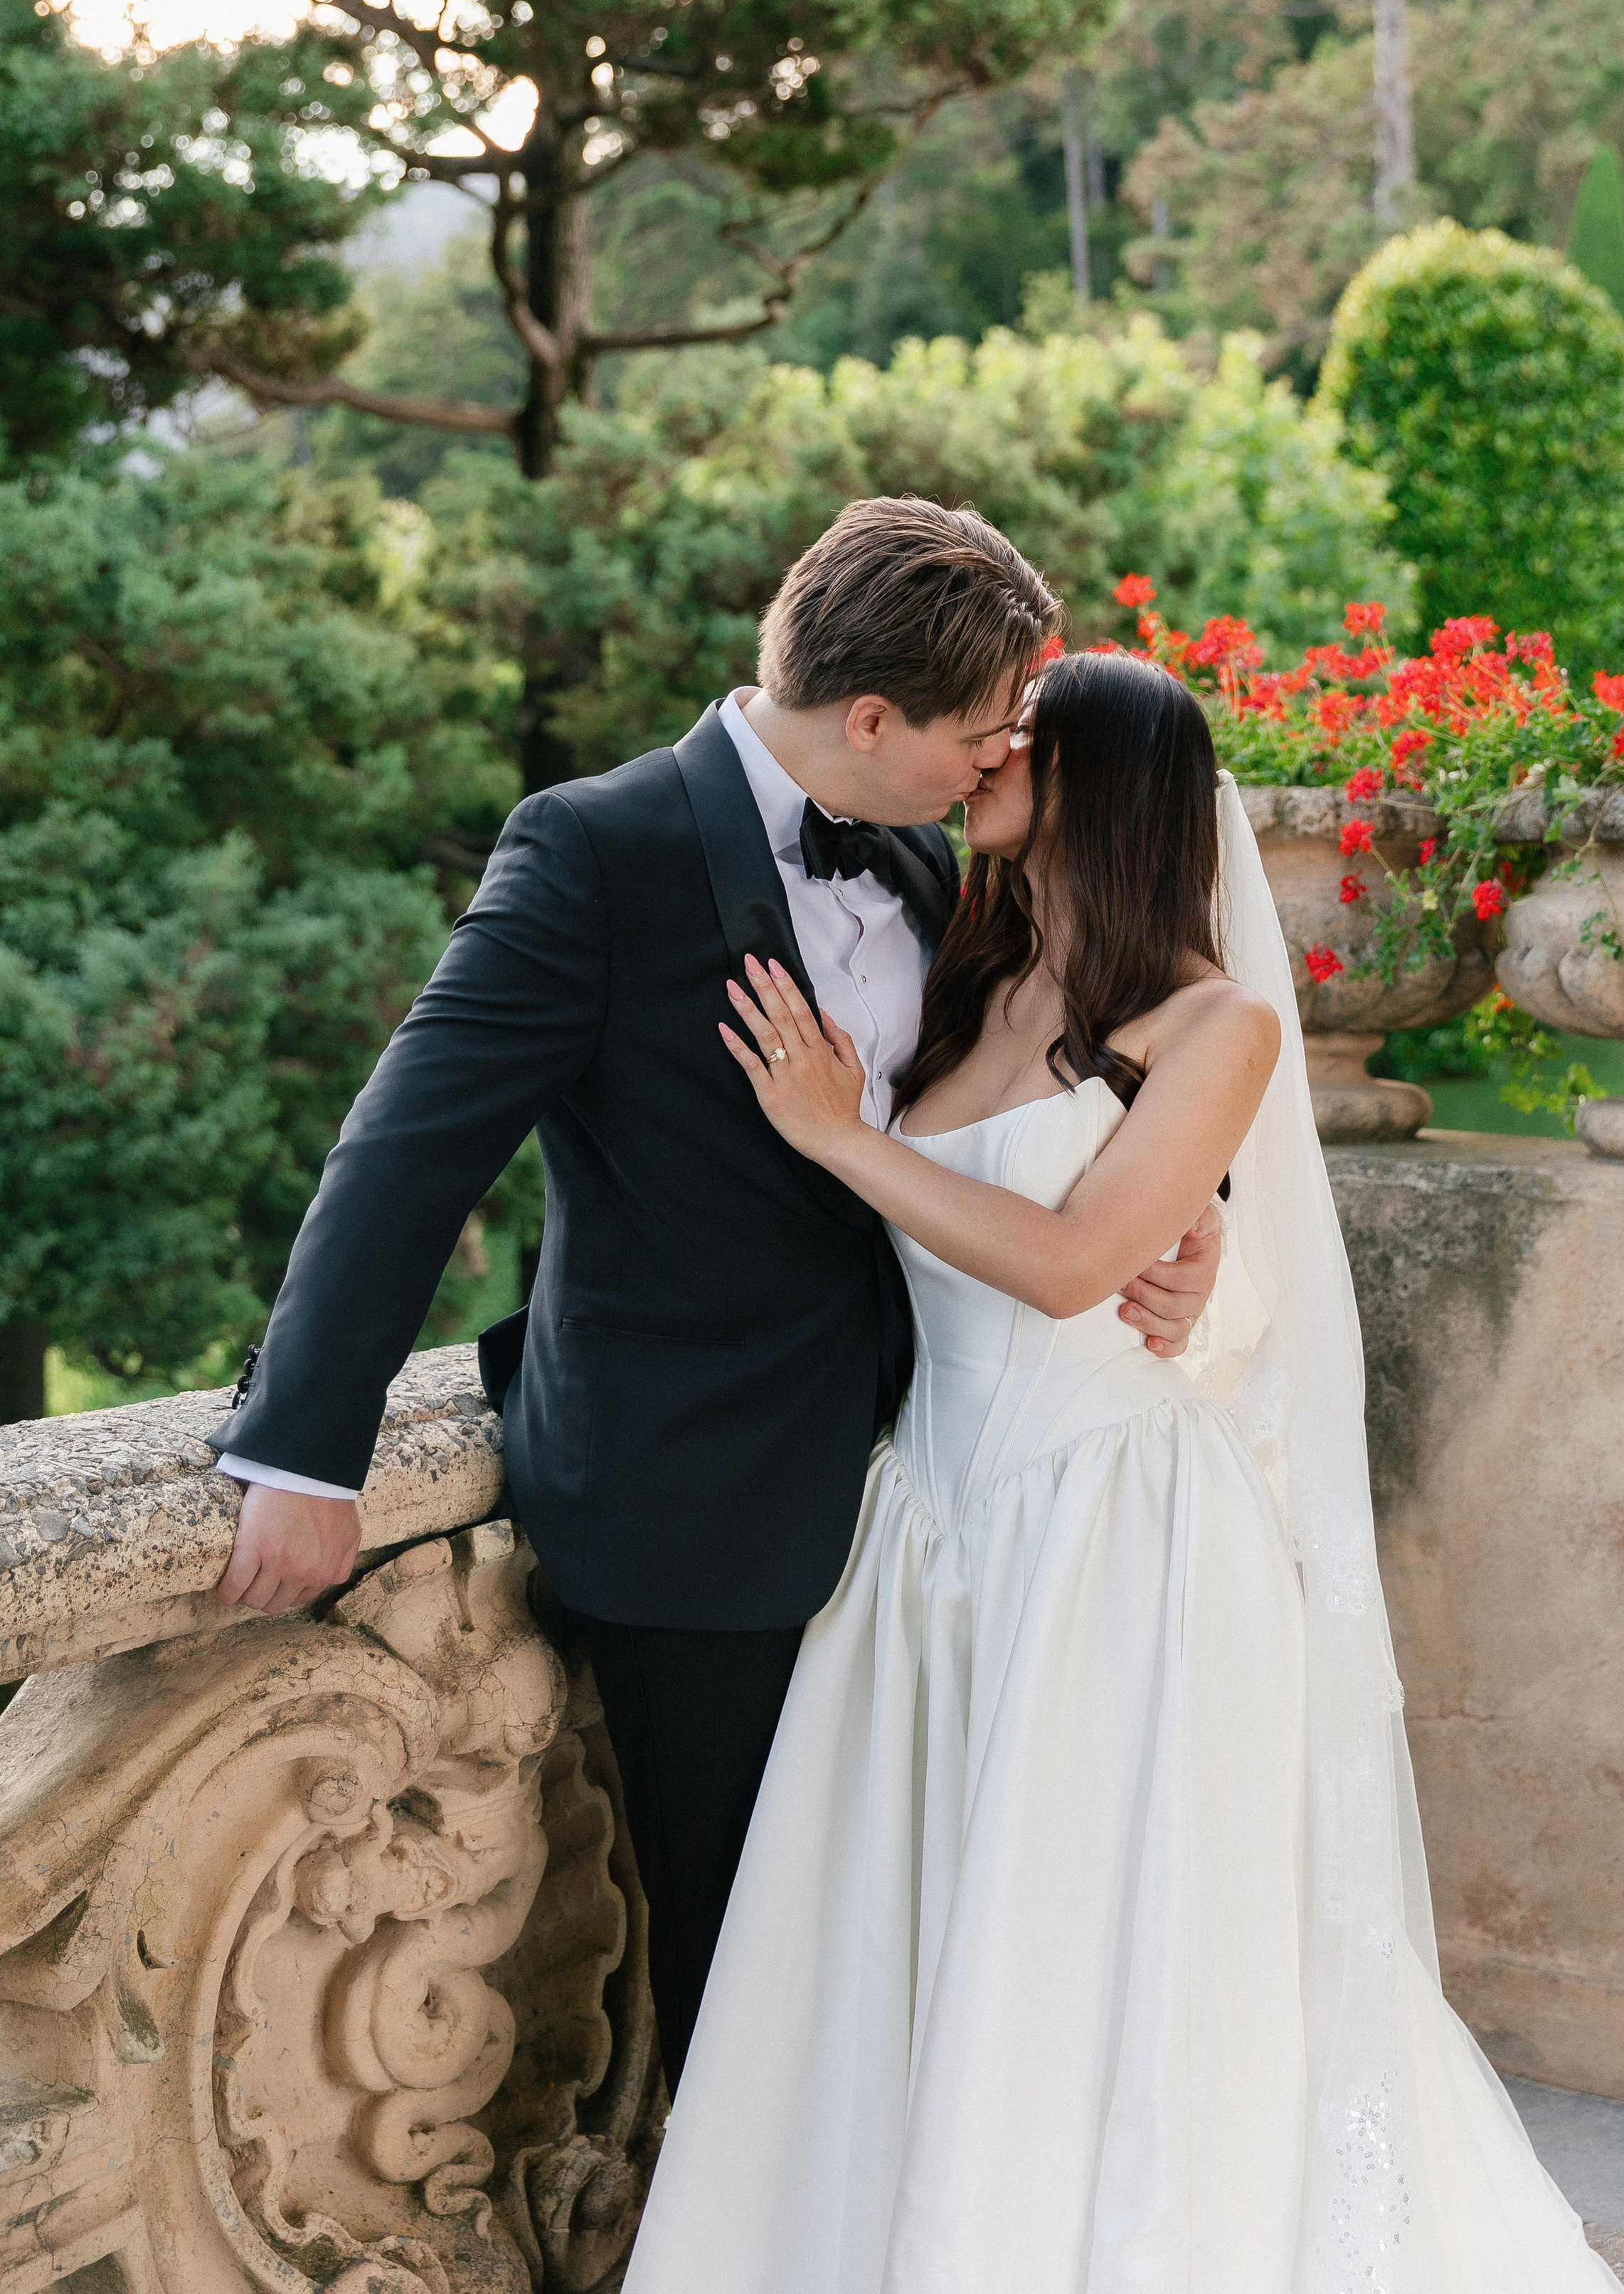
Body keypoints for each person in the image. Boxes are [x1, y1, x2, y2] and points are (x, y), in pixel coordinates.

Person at [622, 650, 1623, 2294]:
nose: (986, 750)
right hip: (933, 1525)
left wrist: (844, 1137)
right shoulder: (970, 964)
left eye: (1023, 733)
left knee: (1088, 1946)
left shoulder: (1214, 1020)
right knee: (908, 1945)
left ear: (1101, 774)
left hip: (1112, 1541)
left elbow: (1079, 1258)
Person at [206, 497, 1224, 2098]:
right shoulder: (590, 852)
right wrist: (304, 1454)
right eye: (980, 730)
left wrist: (1192, 1222)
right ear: (871, 716)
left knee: (929, 1949)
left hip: (935, 1495)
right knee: (750, 1977)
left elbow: (1071, 1069)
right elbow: (406, 1149)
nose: (999, 761)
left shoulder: (919, 853)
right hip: (694, 1506)